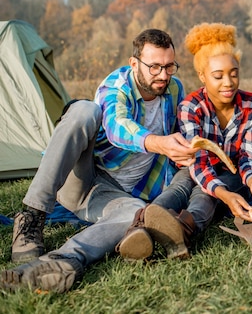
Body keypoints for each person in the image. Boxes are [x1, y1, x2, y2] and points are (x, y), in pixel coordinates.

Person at [1, 29, 198, 293]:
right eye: (154, 67)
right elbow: (117, 126)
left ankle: (61, 263)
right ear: (134, 63)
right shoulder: (116, 85)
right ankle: (31, 216)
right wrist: (159, 143)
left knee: (134, 213)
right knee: (84, 110)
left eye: (169, 66)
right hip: (84, 177)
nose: (163, 75)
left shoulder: (174, 89)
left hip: (118, 193)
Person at [116, 23, 252, 261]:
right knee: (179, 188)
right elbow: (199, 163)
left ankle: (182, 231)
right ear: (202, 76)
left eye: (234, 73)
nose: (228, 83)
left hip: (231, 172)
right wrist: (224, 194)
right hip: (194, 167)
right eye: (218, 76)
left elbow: (248, 157)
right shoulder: (190, 106)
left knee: (205, 196)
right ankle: (141, 227)